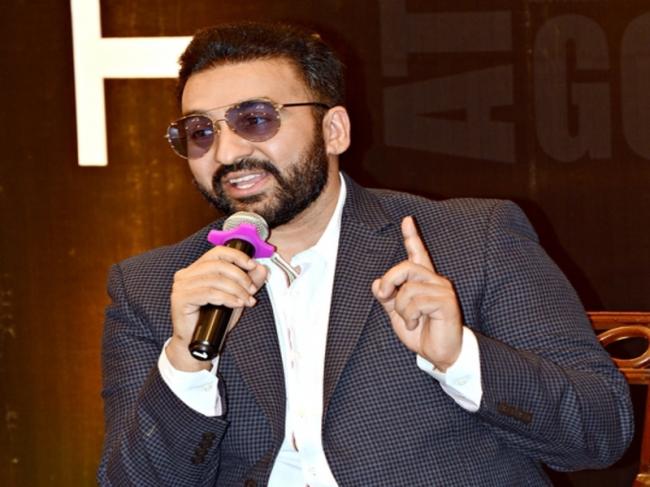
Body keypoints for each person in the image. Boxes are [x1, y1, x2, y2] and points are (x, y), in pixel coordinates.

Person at [98, 21, 633, 486]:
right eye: (200, 131)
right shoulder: (155, 287)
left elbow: (601, 432)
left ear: (333, 130)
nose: (227, 151)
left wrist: (460, 359)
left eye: (255, 119)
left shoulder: (472, 239)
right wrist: (187, 362)